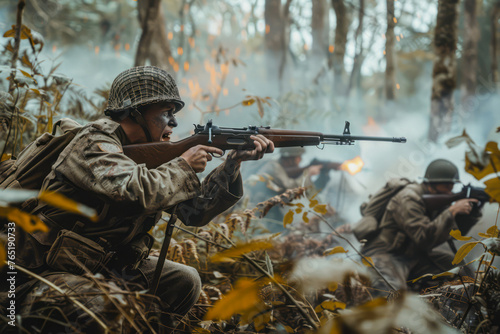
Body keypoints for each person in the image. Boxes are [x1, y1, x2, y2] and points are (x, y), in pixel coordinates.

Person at [1, 66, 274, 333]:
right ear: (134, 112)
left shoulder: (151, 156)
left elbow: (194, 212)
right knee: (104, 306)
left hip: (100, 269)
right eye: (166, 113)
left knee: (183, 280)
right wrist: (183, 166)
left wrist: (233, 164)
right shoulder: (93, 143)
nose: (174, 122)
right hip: (32, 276)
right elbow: (132, 191)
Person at [361, 159, 483, 295]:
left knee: (461, 271)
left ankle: (460, 307)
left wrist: (472, 212)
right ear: (432, 184)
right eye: (447, 185)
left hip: (414, 254)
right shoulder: (409, 198)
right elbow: (423, 238)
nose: (450, 190)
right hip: (387, 253)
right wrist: (452, 211)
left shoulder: (438, 198)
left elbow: (453, 233)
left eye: (452, 185)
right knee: (391, 295)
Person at [245, 147, 336, 232]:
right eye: (298, 157)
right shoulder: (273, 167)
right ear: (289, 158)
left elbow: (309, 194)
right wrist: (307, 174)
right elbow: (290, 188)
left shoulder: (281, 168)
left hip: (272, 213)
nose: (300, 160)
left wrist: (324, 176)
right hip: (262, 216)